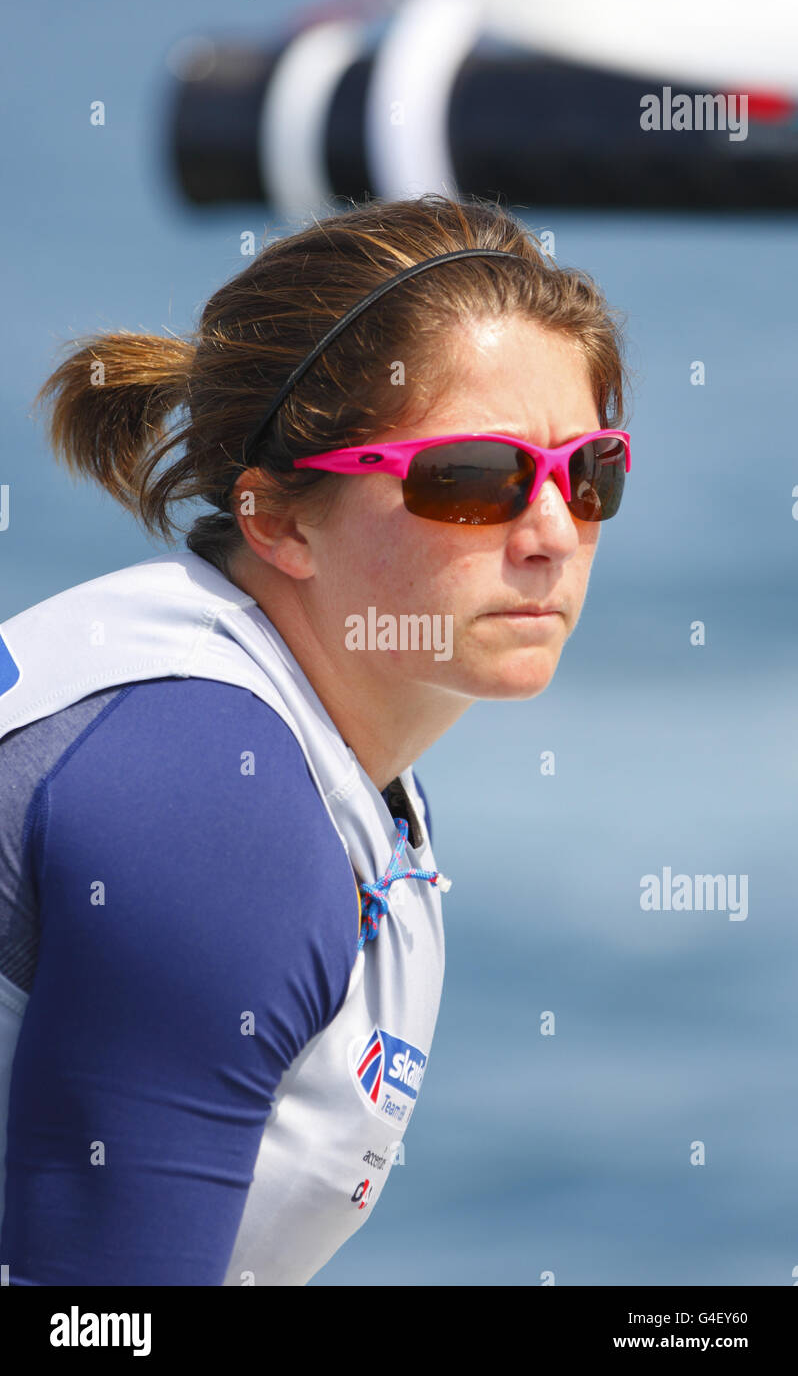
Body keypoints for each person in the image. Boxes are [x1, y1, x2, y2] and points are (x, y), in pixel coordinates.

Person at [0, 193, 630, 1286]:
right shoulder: (210, 803)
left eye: (589, 471)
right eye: (471, 479)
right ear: (281, 521)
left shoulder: (305, 758)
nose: (551, 534)